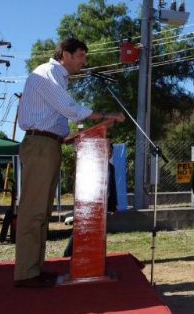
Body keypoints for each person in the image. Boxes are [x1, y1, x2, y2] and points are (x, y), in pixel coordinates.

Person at [15, 38, 124, 288]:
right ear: (65, 54)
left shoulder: (58, 77)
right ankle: (26, 274)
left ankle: (33, 269)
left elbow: (59, 114)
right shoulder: (48, 72)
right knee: (34, 211)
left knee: (41, 212)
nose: (84, 62)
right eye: (81, 56)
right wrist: (105, 116)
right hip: (40, 145)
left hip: (49, 144)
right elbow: (69, 108)